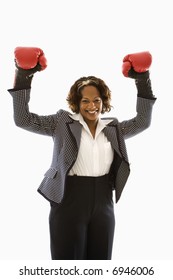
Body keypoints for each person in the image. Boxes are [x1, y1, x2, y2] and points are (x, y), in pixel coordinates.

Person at [8, 47, 156, 260]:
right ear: (76, 103)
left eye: (96, 100)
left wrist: (143, 79)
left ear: (103, 100)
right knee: (67, 264)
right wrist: (23, 75)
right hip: (69, 198)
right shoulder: (61, 123)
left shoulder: (113, 128)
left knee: (100, 263)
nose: (92, 105)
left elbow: (143, 121)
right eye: (85, 100)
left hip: (104, 198)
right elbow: (23, 120)